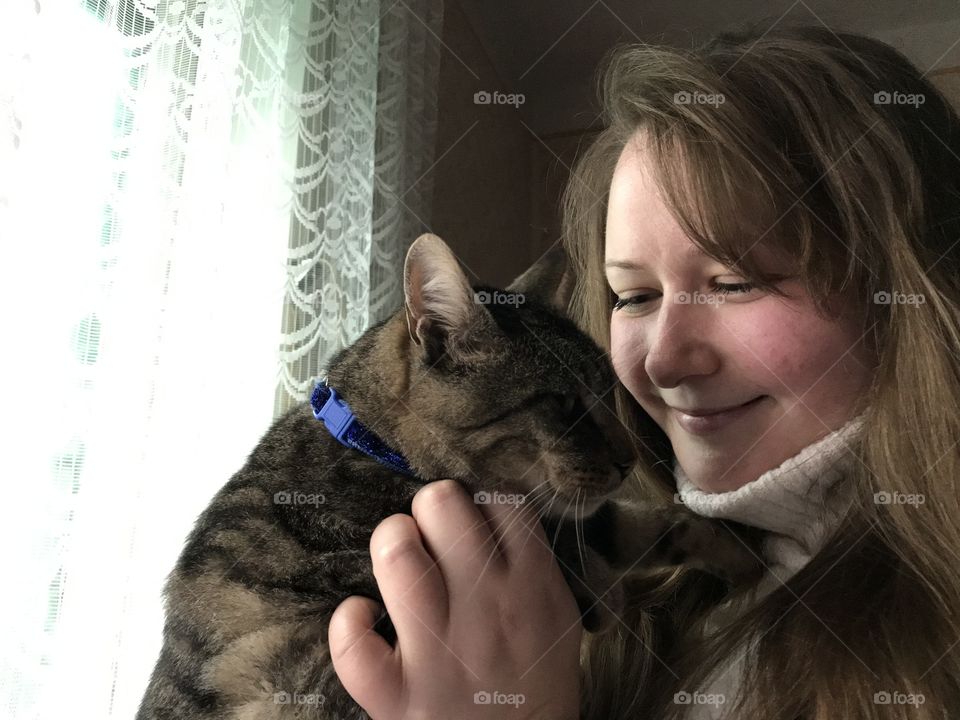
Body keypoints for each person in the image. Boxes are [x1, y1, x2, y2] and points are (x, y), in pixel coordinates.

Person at [329, 24, 960, 720]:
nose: (661, 360)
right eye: (635, 297)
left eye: (736, 282)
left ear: (909, 290)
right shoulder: (609, 595)